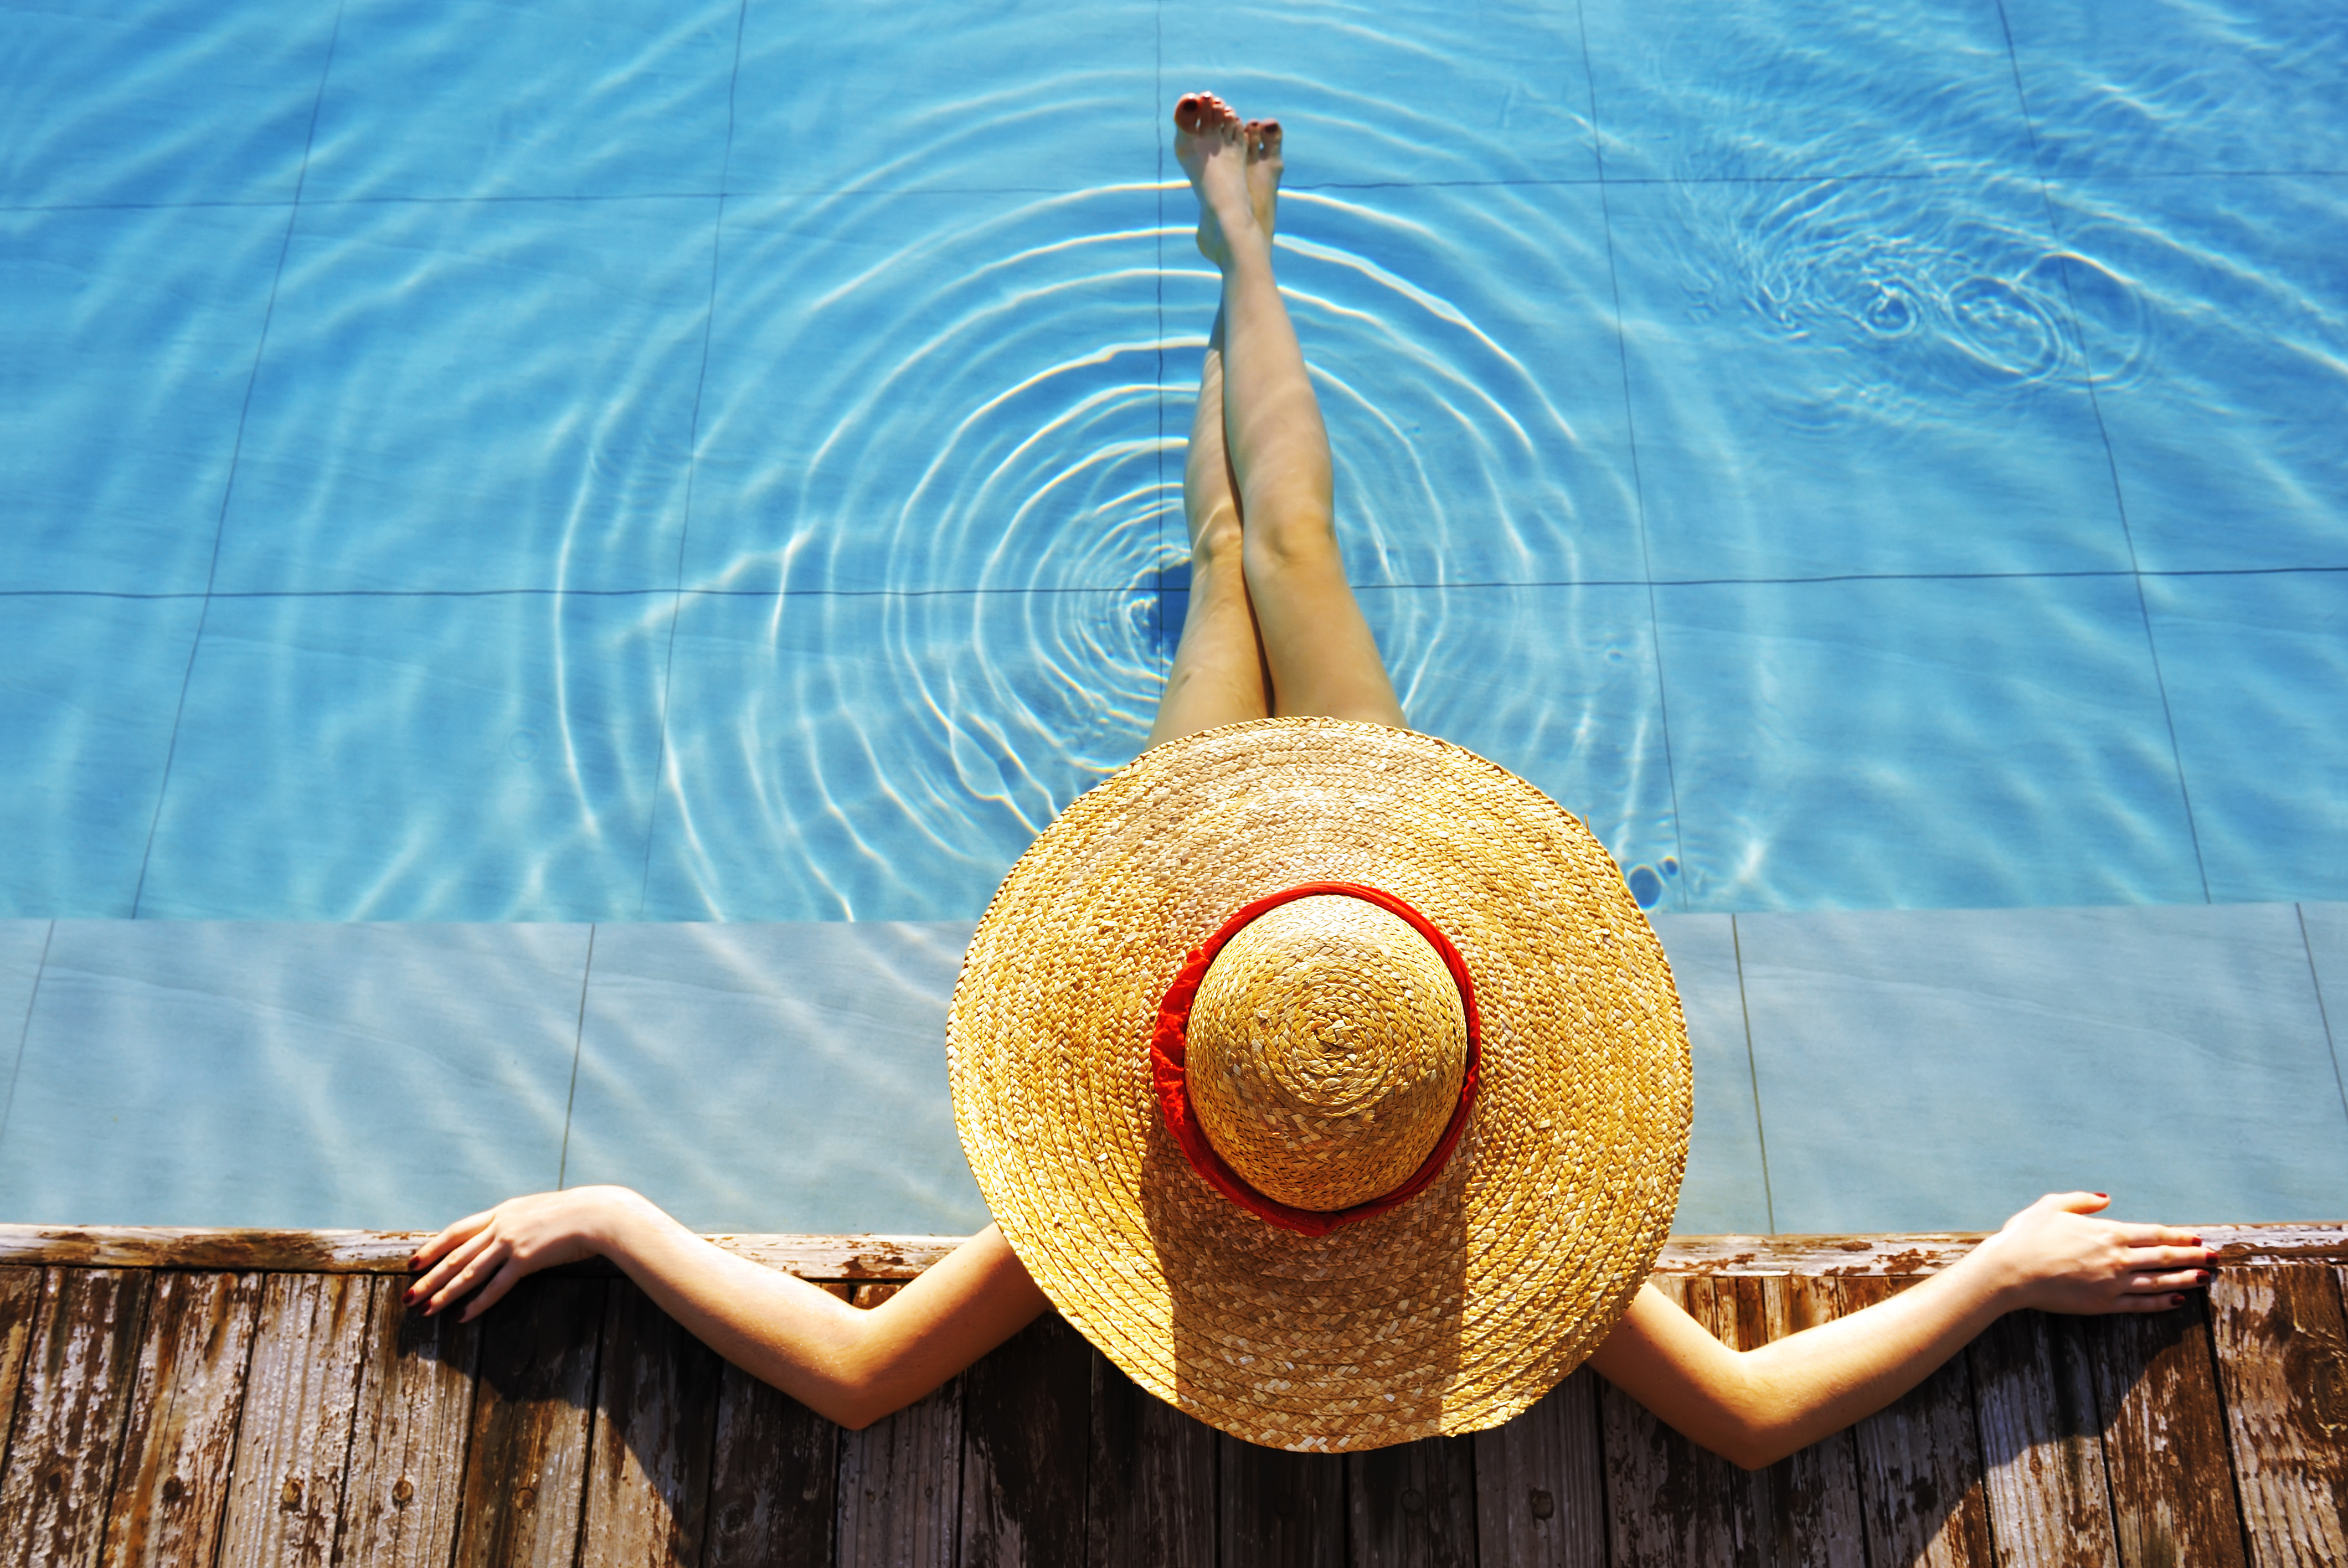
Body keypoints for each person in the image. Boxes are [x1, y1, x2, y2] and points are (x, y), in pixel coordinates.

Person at [409, 94, 2215, 1465]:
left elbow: (866, 1381)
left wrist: (616, 1217)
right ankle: (1245, 248)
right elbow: (1737, 1427)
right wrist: (1982, 1279)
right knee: (1282, 548)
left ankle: (1240, 244)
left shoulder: (1128, 1192)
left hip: (1273, 904)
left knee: (1243, 557)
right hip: (1363, 899)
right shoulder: (1430, 1214)